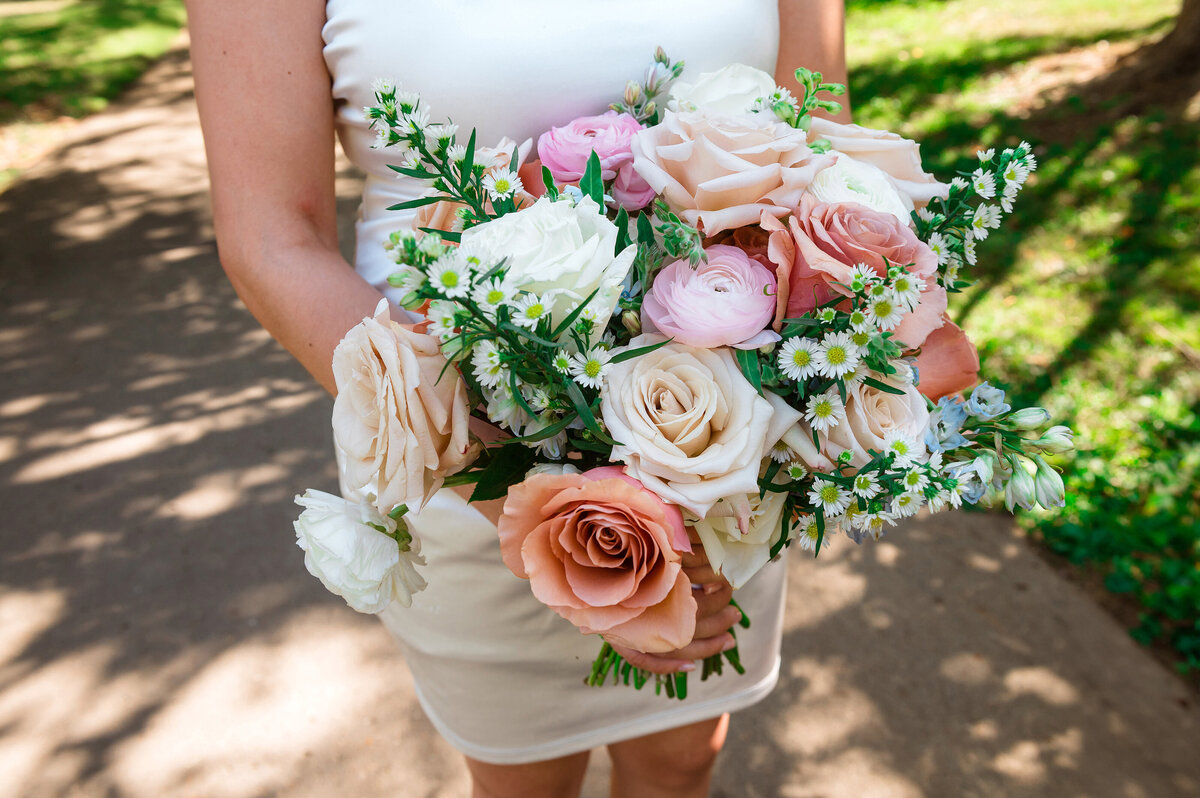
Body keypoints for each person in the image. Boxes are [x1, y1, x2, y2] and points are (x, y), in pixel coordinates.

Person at [186, 2, 849, 796]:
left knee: (682, 760)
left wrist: (774, 431)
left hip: (721, 428)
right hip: (453, 449)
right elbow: (270, 240)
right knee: (522, 779)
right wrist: (556, 505)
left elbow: (822, 143)